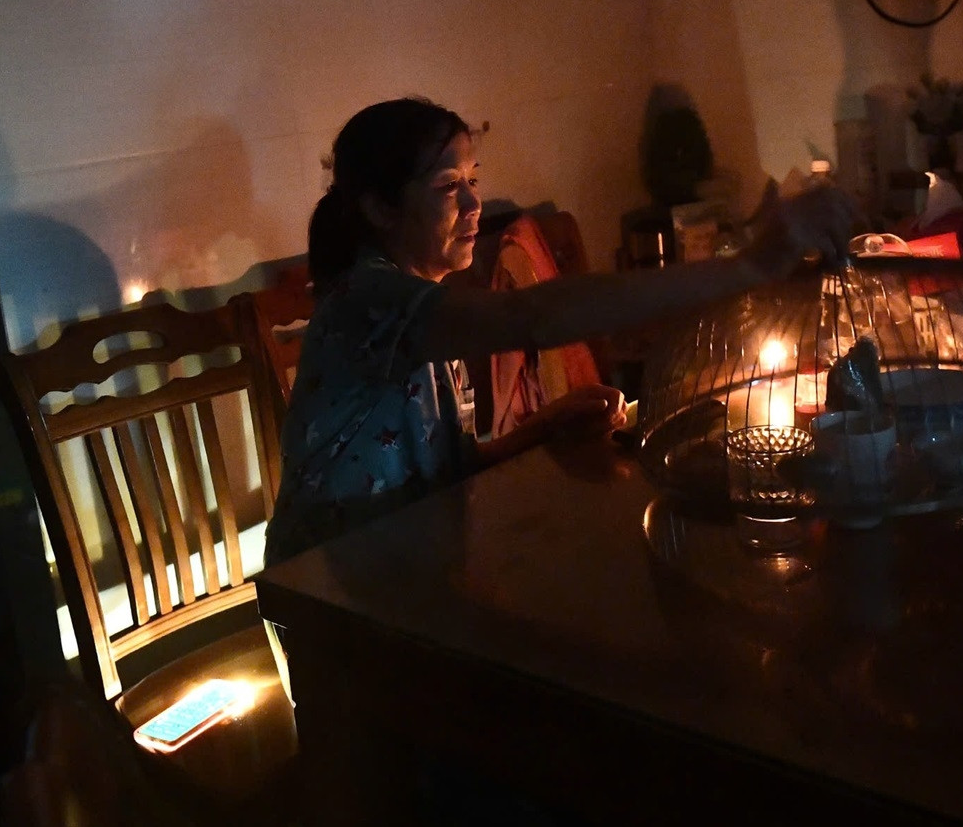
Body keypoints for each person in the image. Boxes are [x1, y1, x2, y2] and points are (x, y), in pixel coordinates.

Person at [263, 96, 857, 567]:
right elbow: (531, 317)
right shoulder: (367, 300)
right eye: (447, 186)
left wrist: (542, 427)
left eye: (473, 180)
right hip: (326, 590)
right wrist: (751, 265)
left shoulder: (422, 307)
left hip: (404, 573)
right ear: (380, 208)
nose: (473, 204)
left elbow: (447, 473)